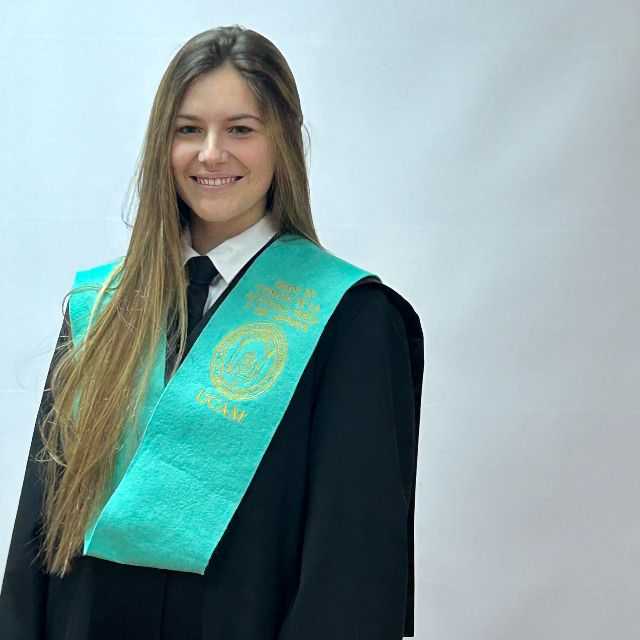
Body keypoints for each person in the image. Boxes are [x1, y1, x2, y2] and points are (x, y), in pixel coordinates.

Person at [0, 25, 424, 640]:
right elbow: (39, 528)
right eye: (188, 129)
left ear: (284, 141)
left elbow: (351, 564)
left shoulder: (349, 321)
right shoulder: (103, 308)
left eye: (241, 129)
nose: (211, 154)